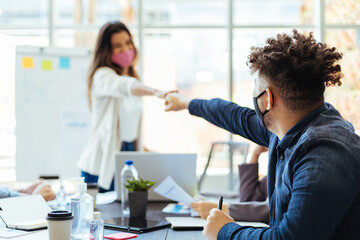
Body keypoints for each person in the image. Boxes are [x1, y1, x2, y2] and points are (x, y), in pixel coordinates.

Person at [164, 30, 360, 239]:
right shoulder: (290, 128)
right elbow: (234, 116)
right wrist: (187, 103)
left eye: (255, 90)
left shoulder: (324, 154)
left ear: (267, 99)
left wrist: (225, 231)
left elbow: (290, 238)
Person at [77, 21, 168, 192]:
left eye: (128, 43)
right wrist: (157, 92)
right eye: (117, 46)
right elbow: (124, 86)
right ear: (107, 51)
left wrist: (149, 153)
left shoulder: (134, 76)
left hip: (127, 157)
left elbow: (129, 130)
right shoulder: (103, 76)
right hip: (100, 164)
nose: (125, 49)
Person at [191, 145, 269, 223]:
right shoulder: (274, 173)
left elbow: (275, 211)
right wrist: (255, 154)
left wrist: (223, 209)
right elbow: (249, 199)